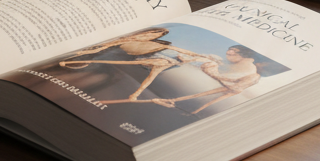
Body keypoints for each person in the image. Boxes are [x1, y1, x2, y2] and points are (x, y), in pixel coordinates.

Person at [58, 28, 218, 103]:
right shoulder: (130, 38)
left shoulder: (159, 46)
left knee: (155, 69)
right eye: (151, 34)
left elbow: (177, 49)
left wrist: (195, 56)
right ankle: (135, 94)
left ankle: (135, 94)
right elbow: (111, 44)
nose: (150, 36)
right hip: (115, 54)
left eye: (153, 36)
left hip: (147, 58)